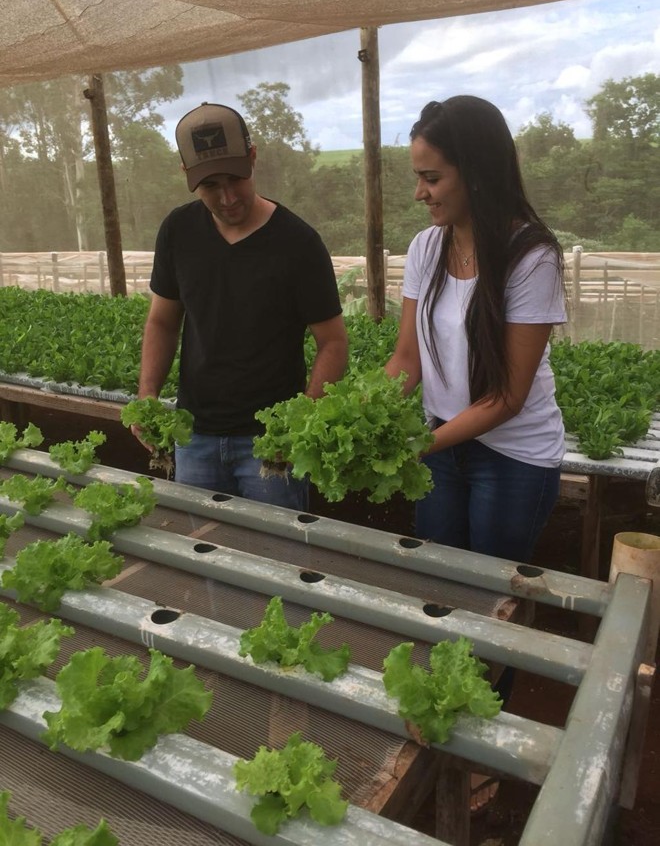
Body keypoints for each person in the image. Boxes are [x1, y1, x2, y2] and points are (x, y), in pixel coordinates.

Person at [384, 96, 567, 812]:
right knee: (442, 597)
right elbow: (406, 360)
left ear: (476, 172)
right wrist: (367, 421)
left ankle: (483, 752)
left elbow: (508, 397)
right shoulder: (426, 248)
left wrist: (420, 443)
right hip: (442, 448)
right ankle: (443, 738)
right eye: (417, 177)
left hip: (511, 459)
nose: (420, 192)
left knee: (494, 611)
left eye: (431, 177)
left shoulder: (530, 255)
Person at [133, 102, 348, 510]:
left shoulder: (298, 243)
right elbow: (163, 321)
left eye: (235, 179)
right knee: (206, 557)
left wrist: (300, 424)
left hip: (269, 444)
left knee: (276, 560)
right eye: (211, 185)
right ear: (187, 176)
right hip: (194, 436)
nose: (227, 197)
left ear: (253, 157)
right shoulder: (178, 231)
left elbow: (333, 343)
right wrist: (147, 394)